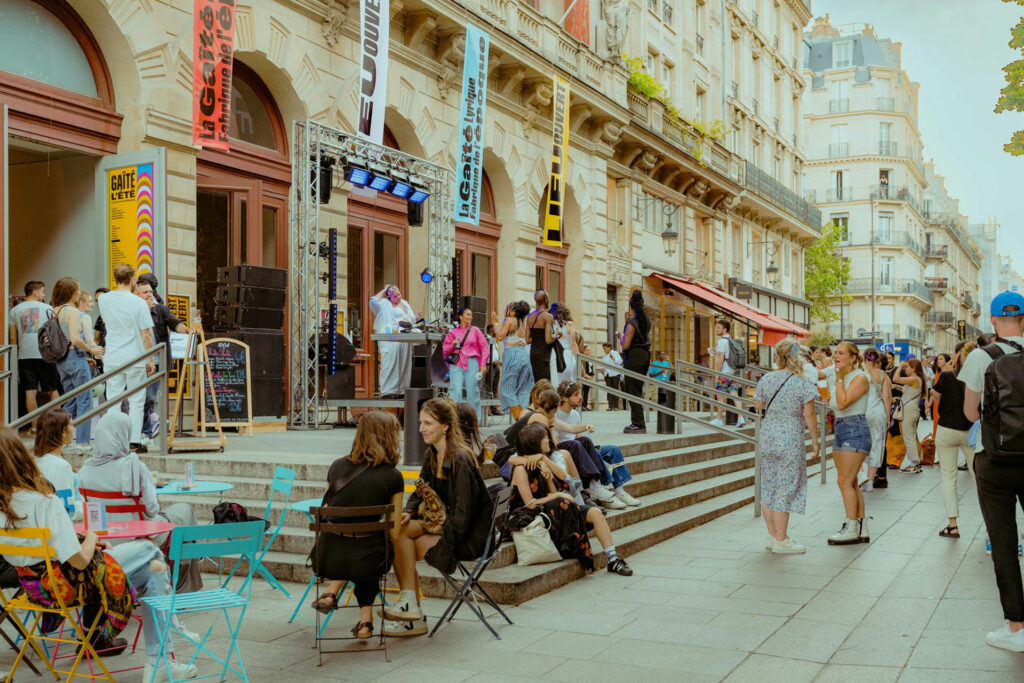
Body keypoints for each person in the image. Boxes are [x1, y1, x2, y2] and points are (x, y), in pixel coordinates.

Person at [0, 427, 136, 657]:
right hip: (61, 591)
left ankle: (95, 639)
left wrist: (84, 542)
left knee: (103, 562)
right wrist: (92, 535)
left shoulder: (6, 505)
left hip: (31, 588)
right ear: (22, 458)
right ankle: (100, 639)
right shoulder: (43, 502)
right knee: (142, 555)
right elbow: (81, 561)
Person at [386, 399, 494, 627]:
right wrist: (409, 510)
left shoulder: (461, 460)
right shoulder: (432, 454)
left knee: (404, 547)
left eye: (427, 423)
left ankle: (412, 614)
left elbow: (464, 515)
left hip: (470, 534)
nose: (421, 428)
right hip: (444, 520)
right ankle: (411, 608)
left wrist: (445, 547)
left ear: (445, 426)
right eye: (420, 423)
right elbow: (421, 489)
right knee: (396, 531)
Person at [960, 290, 1024, 652]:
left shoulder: (982, 357)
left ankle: (1016, 627)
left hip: (995, 459)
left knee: (1003, 543)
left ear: (994, 320)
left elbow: (970, 414)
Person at [77, 411, 202, 592]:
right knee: (184, 512)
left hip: (102, 537)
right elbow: (151, 510)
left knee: (179, 519)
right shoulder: (135, 467)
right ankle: (183, 581)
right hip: (139, 534)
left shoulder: (86, 469)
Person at [309, 411, 404, 639]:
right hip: (369, 560)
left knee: (358, 546)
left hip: (327, 558)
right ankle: (365, 622)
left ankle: (334, 594)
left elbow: (324, 513)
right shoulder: (393, 477)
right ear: (390, 438)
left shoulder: (336, 467)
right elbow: (394, 531)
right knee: (370, 547)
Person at [509, 422, 633, 575]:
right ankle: (573, 549)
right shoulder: (521, 469)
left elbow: (552, 491)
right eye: (544, 439)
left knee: (595, 513)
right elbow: (530, 504)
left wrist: (544, 464)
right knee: (565, 502)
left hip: (551, 509)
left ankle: (613, 559)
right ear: (534, 443)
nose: (548, 441)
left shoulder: (543, 462)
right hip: (530, 515)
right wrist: (560, 495)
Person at [754, 338, 821, 553]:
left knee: (769, 485)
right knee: (786, 485)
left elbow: (758, 406)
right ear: (796, 357)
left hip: (768, 434)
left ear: (777, 356)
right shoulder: (802, 382)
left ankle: (773, 536)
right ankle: (781, 540)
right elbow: (809, 414)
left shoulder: (766, 379)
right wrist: (815, 441)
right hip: (790, 435)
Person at [555, 381, 640, 507]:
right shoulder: (556, 414)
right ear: (564, 398)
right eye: (576, 395)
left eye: (580, 394)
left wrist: (591, 450)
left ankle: (619, 491)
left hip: (580, 450)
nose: (580, 397)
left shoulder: (575, 414)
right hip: (569, 453)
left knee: (612, 450)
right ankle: (599, 489)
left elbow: (579, 437)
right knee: (583, 445)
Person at [98, 264, 154, 452]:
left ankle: (114, 439)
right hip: (135, 357)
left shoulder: (104, 299)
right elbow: (146, 334)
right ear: (132, 280)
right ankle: (133, 440)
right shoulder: (139, 303)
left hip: (113, 356)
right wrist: (150, 358)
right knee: (136, 401)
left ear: (115, 279)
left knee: (113, 398)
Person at [51, 277, 105, 453]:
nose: (79, 293)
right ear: (72, 293)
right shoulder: (72, 312)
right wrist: (92, 350)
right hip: (75, 355)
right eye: (78, 290)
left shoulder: (55, 310)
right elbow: (75, 338)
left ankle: (61, 440)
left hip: (61, 359)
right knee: (85, 400)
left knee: (70, 400)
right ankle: (82, 442)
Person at [827, 342, 872, 545]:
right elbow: (836, 405)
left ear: (853, 357)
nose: (836, 355)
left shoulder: (860, 378)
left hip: (854, 428)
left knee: (844, 482)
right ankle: (861, 526)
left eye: (841, 353)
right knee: (851, 481)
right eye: (835, 352)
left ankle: (850, 526)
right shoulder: (842, 377)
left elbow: (844, 403)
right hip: (841, 427)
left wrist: (837, 378)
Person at [933, 340, 976, 539]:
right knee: (980, 477)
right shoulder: (977, 376)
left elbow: (936, 397)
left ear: (957, 356)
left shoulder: (947, 375)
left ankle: (952, 524)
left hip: (946, 430)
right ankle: (990, 523)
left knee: (948, 477)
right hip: (970, 431)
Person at [137, 279, 186, 442]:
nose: (150, 295)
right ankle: (146, 429)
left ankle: (146, 432)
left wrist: (186, 329)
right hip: (137, 361)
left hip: (156, 362)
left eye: (150, 292)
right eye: (145, 292)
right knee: (139, 398)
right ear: (137, 295)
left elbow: (174, 322)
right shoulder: (134, 311)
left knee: (148, 397)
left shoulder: (160, 309)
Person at [8, 281, 60, 430]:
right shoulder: (48, 309)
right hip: (44, 354)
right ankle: (57, 425)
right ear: (36, 292)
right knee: (52, 389)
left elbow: (13, 339)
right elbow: (54, 333)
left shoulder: (14, 311)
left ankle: (35, 427)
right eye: (42, 292)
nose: (44, 295)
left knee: (30, 392)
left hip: (25, 355)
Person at [32, 407, 82, 519]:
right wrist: (88, 505)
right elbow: (67, 509)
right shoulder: (60, 465)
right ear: (63, 431)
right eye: (71, 425)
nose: (74, 429)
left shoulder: (37, 460)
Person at [368, 284, 416, 399]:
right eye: (394, 296)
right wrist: (384, 289)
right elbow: (373, 301)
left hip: (404, 337)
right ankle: (388, 391)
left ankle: (402, 390)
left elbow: (412, 319)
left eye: (399, 294)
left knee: (404, 363)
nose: (398, 297)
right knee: (390, 363)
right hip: (390, 338)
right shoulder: (384, 304)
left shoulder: (404, 303)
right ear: (389, 296)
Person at [443, 307, 489, 421]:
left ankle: (474, 421)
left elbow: (485, 347)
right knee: (455, 392)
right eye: (468, 315)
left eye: (471, 315)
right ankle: (454, 421)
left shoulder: (475, 330)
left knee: (473, 392)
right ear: (460, 317)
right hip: (457, 363)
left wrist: (483, 364)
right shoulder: (453, 333)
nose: (470, 317)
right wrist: (452, 345)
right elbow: (445, 350)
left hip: (472, 362)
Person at [492, 301, 534, 420]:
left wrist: (495, 322)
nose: (507, 311)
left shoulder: (510, 320)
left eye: (509, 309)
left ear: (514, 311)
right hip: (524, 355)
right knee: (522, 390)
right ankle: (525, 419)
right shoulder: (525, 323)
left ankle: (520, 421)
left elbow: (500, 337)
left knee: (507, 390)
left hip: (512, 355)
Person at [620, 290, 651, 434]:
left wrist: (621, 337)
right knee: (637, 389)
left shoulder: (632, 323)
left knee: (632, 390)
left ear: (631, 306)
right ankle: (639, 422)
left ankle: (638, 423)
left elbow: (625, 345)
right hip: (645, 356)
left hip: (634, 357)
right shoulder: (646, 320)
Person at [861, 349, 892, 492]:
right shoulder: (883, 375)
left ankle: (860, 477)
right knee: (877, 445)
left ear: (865, 359)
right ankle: (870, 481)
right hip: (878, 412)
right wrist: (888, 416)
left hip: (861, 412)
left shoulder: (859, 374)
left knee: (859, 446)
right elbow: (887, 398)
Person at [711, 319, 745, 429]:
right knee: (734, 394)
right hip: (733, 372)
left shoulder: (721, 341)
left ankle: (719, 419)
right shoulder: (731, 340)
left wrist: (717, 373)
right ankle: (741, 417)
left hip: (724, 372)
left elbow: (721, 358)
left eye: (718, 328)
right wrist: (718, 352)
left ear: (724, 330)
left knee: (720, 395)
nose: (716, 330)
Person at [893, 358, 925, 473]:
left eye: (907, 367)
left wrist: (900, 366)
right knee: (911, 436)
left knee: (909, 437)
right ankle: (916, 462)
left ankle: (914, 463)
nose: (905, 369)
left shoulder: (914, 379)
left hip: (909, 411)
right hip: (912, 410)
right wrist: (897, 387)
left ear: (914, 368)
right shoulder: (916, 380)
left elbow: (895, 378)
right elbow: (908, 390)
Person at [526, 290, 555, 383]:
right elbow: (548, 340)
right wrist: (556, 334)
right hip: (544, 354)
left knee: (537, 383)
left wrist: (537, 338)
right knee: (546, 383)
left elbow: (527, 339)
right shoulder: (548, 316)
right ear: (546, 300)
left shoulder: (530, 316)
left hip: (533, 353)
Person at [549, 303, 577, 385]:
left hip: (555, 356)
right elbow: (573, 344)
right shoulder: (569, 324)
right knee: (568, 384)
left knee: (555, 383)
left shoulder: (550, 325)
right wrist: (578, 360)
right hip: (568, 357)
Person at [601, 342, 623, 410]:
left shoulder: (615, 353)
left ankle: (616, 406)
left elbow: (620, 362)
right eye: (603, 349)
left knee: (615, 389)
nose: (604, 350)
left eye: (605, 348)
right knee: (609, 390)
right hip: (607, 374)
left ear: (609, 348)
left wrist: (613, 358)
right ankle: (610, 406)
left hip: (615, 374)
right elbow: (604, 364)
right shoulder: (604, 356)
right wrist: (602, 369)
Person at [579, 344, 595, 411]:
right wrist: (586, 376)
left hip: (588, 377)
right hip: (583, 377)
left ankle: (585, 405)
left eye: (590, 350)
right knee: (582, 392)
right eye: (588, 350)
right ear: (584, 351)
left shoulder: (589, 359)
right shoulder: (582, 359)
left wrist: (591, 376)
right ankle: (581, 406)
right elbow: (582, 369)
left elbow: (591, 369)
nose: (589, 352)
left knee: (586, 392)